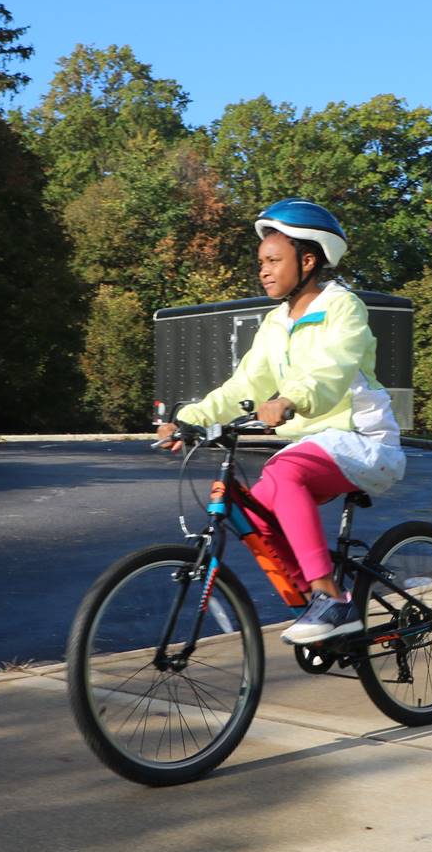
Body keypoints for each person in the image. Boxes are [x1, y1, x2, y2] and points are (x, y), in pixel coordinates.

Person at [157, 199, 406, 644]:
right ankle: (315, 606)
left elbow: (332, 368)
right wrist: (187, 420)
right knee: (259, 508)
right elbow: (243, 386)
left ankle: (330, 597)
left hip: (364, 440)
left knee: (284, 471)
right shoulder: (275, 324)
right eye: (261, 263)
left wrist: (292, 398)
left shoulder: (342, 308)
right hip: (315, 446)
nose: (264, 271)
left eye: (274, 260)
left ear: (308, 260)